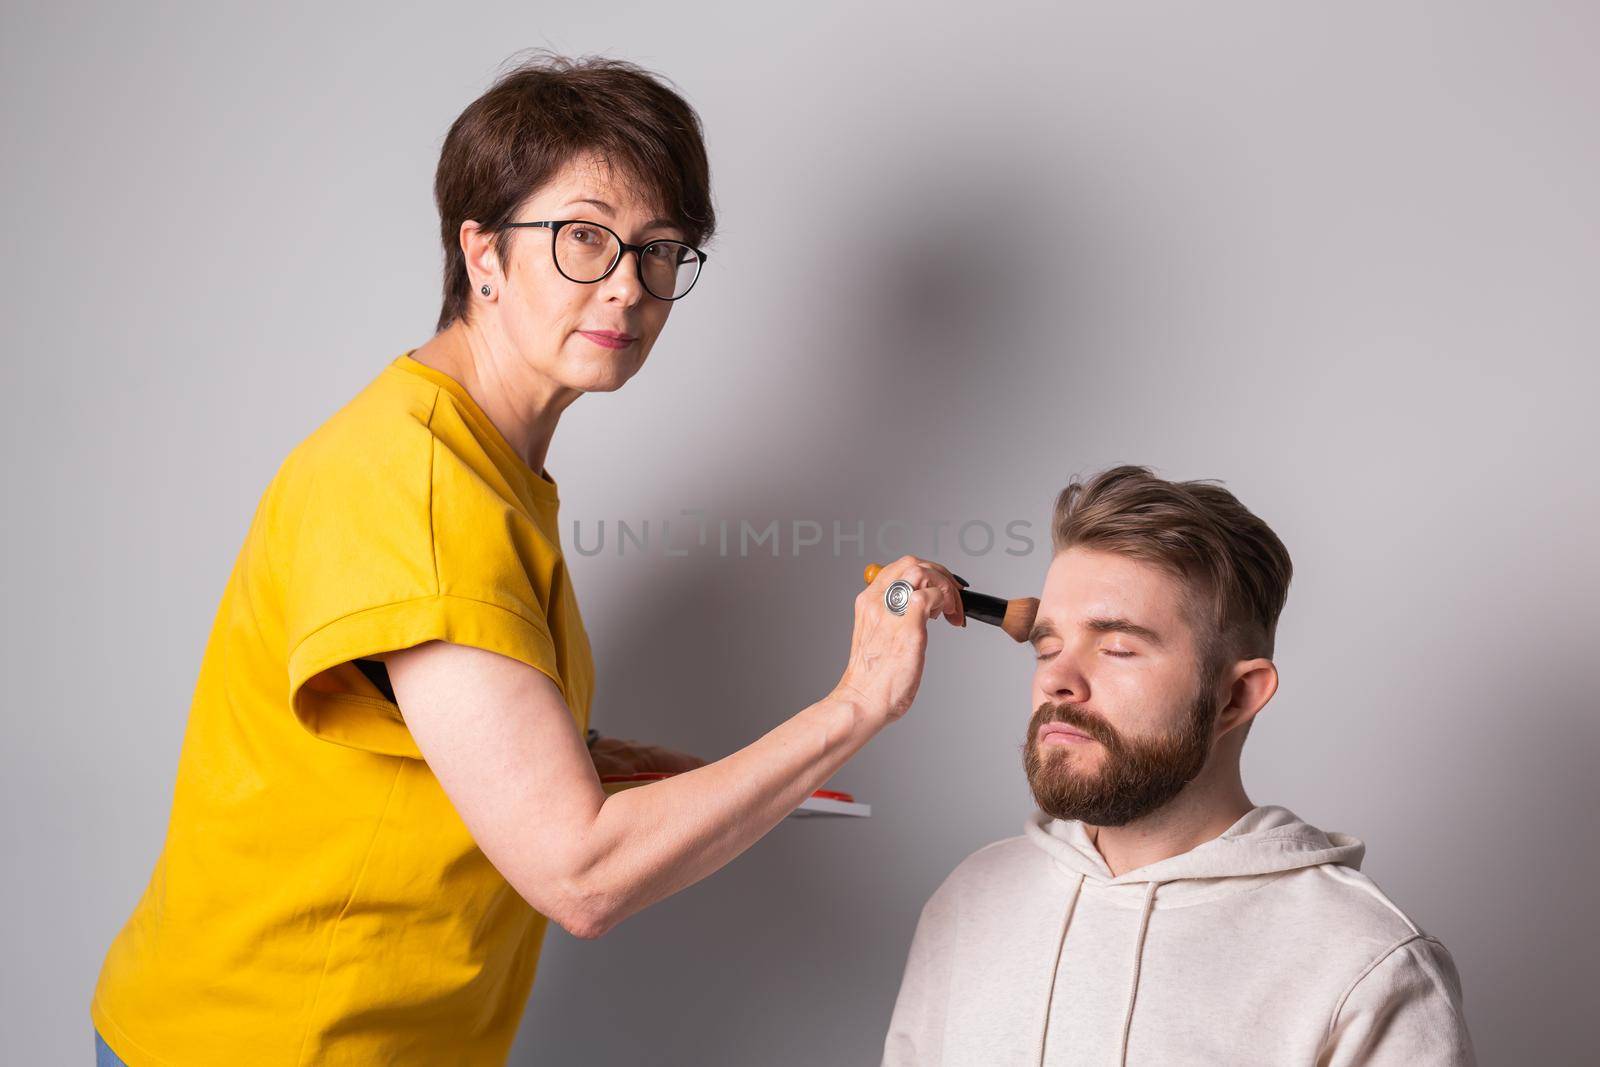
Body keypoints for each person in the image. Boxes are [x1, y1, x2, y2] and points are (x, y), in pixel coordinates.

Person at [90, 53, 966, 1066]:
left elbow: (428, 739)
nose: (629, 286)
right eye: (584, 238)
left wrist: (582, 758)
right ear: (484, 253)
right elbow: (579, 874)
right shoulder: (420, 486)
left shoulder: (476, 461)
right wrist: (856, 702)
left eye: (660, 249)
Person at [882, 465, 1475, 1065]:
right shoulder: (969, 900)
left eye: (1117, 648)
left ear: (1236, 697)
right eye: (1047, 647)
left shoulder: (1367, 963)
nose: (1056, 680)